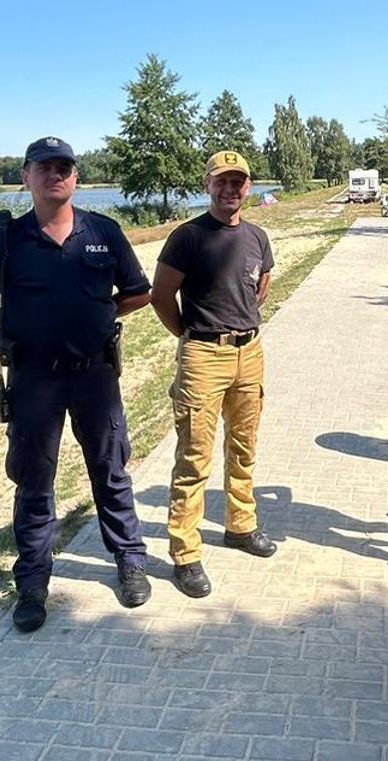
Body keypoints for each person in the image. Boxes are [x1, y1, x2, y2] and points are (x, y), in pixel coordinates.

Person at [0, 136, 155, 633]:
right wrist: (21, 323)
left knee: (111, 470)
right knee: (34, 482)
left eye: (64, 167)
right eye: (44, 167)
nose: (56, 175)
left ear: (76, 177)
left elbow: (137, 293)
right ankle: (32, 582)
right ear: (25, 176)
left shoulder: (104, 232)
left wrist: (100, 314)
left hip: (96, 376)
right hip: (34, 380)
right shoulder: (3, 241)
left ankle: (130, 560)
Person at [149, 150, 278, 599]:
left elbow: (259, 288)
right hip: (204, 355)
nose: (231, 189)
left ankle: (240, 526)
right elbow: (161, 296)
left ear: (249, 186)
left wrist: (242, 326)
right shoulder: (187, 238)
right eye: (222, 181)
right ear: (207, 185)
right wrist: (189, 334)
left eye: (238, 181)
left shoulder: (258, 236)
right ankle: (185, 553)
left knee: (244, 449)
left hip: (250, 351)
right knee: (194, 457)